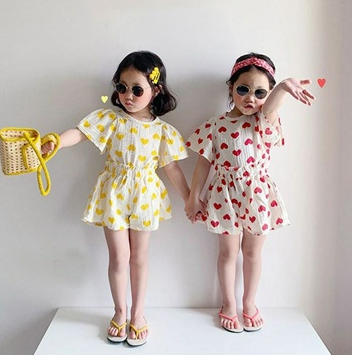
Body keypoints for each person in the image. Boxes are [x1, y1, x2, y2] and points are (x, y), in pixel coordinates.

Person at [42, 51, 190, 346]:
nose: (128, 96)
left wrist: (190, 198)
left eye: (137, 89)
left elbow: (172, 168)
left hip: (145, 195)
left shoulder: (163, 132)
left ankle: (138, 313)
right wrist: (56, 142)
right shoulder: (110, 119)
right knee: (119, 257)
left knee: (139, 258)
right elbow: (81, 133)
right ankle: (120, 311)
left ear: (155, 90)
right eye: (122, 87)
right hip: (114, 195)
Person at [184, 53, 315, 333]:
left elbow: (272, 107)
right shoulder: (215, 124)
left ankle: (249, 303)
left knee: (253, 253)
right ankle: (228, 304)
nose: (250, 98)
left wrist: (283, 88)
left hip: (257, 195)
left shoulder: (263, 121)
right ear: (231, 87)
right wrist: (194, 197)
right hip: (224, 196)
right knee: (228, 253)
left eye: (260, 93)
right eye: (243, 89)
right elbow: (203, 164)